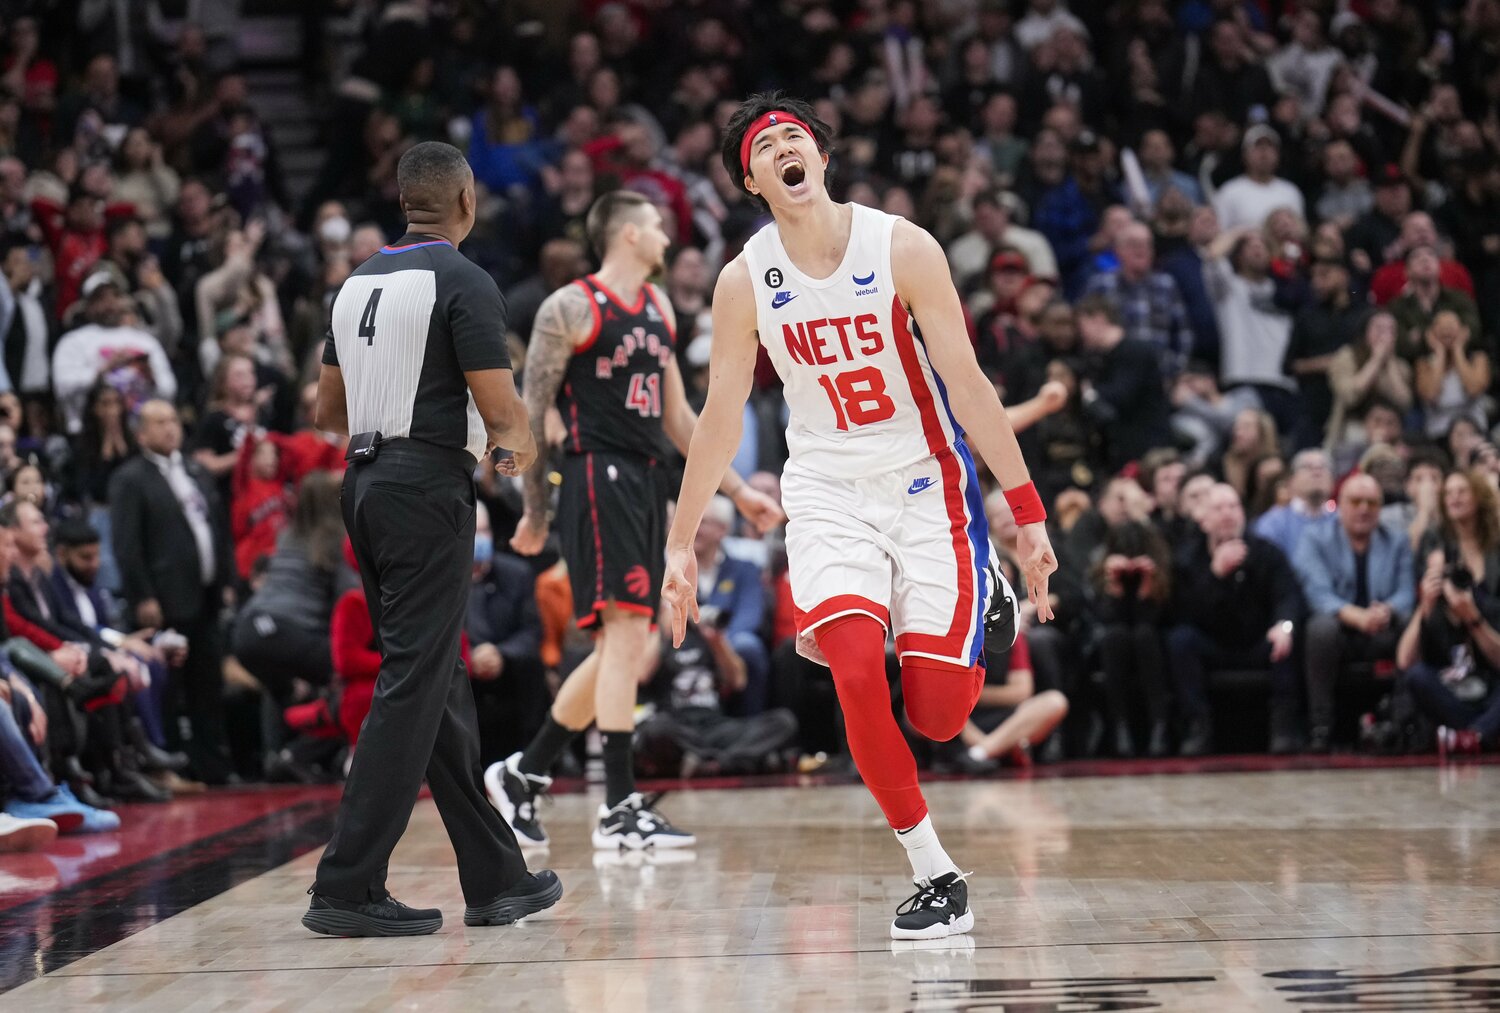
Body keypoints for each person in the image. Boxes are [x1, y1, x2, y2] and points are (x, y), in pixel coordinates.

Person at [662, 93, 1057, 940]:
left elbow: (968, 384)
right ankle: (935, 872)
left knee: (939, 715)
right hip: (826, 488)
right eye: (768, 147)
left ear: (821, 157)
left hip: (925, 480)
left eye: (796, 136)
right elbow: (720, 414)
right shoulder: (745, 278)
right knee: (848, 664)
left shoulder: (901, 245)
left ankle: (982, 591)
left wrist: (1026, 512)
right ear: (752, 178)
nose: (785, 149)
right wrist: (678, 543)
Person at [304, 141, 560, 938]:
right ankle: (346, 882)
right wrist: (518, 449)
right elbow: (502, 408)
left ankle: (495, 877)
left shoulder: (354, 283)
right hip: (425, 488)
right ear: (466, 200)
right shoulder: (464, 280)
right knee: (416, 681)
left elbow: (326, 412)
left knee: (435, 676)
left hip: (364, 483)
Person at [492, 189, 783, 853]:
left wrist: (737, 491)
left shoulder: (656, 307)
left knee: (622, 649)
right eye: (656, 226)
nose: (665, 236)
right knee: (625, 639)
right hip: (599, 475)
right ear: (626, 235)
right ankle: (619, 807)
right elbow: (533, 415)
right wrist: (536, 511)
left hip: (650, 481)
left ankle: (524, 771)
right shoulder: (569, 307)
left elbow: (681, 418)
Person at [109, 399, 235, 785]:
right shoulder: (130, 478)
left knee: (207, 684)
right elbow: (127, 546)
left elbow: (218, 528)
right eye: (158, 422)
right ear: (140, 433)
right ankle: (170, 767)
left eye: (173, 421)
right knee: (169, 687)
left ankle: (213, 768)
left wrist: (228, 579)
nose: (169, 428)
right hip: (165, 599)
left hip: (206, 594)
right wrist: (142, 594)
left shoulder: (195, 470)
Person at [1168, 484, 1304, 756]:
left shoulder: (1267, 552)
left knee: (1286, 640)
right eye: (1219, 508)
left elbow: (1289, 597)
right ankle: (1198, 727)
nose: (1228, 514)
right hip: (1213, 645)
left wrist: (1284, 626)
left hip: (1259, 642)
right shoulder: (1187, 559)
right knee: (1180, 640)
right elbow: (1181, 613)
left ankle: (1284, 729)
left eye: (1233, 506)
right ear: (1204, 520)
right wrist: (1215, 576)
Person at [1293, 473, 1414, 752]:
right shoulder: (1314, 537)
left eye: (1371, 502)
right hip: (1339, 628)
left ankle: (1403, 721)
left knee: (1411, 623)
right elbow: (1316, 593)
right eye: (1356, 501)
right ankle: (1320, 727)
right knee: (1321, 628)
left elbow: (1406, 591)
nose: (1363, 509)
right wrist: (1357, 616)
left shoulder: (1396, 541)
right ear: (1340, 504)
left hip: (1382, 627)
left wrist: (1388, 609)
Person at [1398, 470, 1500, 753]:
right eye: (1448, 493)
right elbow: (1405, 661)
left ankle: (1471, 736)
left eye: (1462, 491)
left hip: (1492, 677)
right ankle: (1482, 734)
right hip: (1454, 679)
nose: (1453, 498)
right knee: (1418, 677)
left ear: (1479, 497)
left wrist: (1473, 618)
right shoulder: (1436, 545)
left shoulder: (1496, 553)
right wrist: (1426, 604)